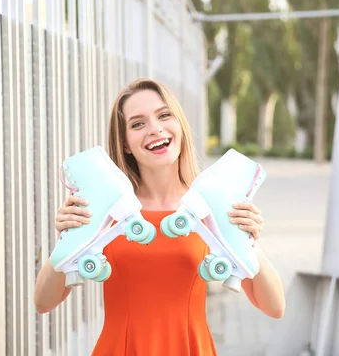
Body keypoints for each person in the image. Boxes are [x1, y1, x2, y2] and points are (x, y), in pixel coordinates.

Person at [34, 78, 285, 355]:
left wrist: (248, 243)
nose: (155, 129)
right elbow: (43, 302)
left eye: (164, 115)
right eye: (137, 124)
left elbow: (274, 307)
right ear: (125, 144)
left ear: (179, 125)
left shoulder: (211, 206)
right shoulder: (107, 207)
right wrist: (65, 239)